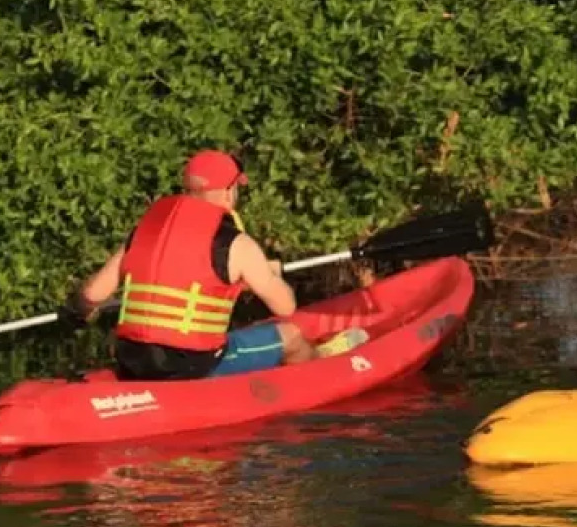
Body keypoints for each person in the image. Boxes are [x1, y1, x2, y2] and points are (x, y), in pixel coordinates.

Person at [67, 149, 365, 382]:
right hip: (193, 363)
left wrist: (77, 310)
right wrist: (267, 273)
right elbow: (285, 307)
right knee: (291, 336)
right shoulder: (235, 243)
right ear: (228, 192)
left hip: (133, 360)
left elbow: (92, 294)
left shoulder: (146, 230)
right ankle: (322, 365)